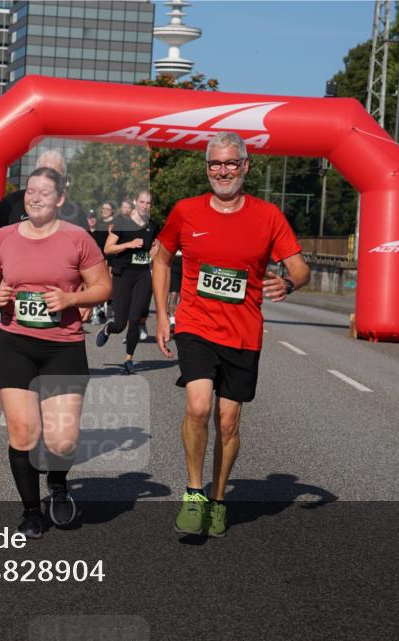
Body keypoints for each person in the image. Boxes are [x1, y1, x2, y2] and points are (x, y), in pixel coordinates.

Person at [152, 132, 310, 537]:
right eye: (215, 164)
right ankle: (194, 493)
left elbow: (300, 268)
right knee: (199, 406)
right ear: (207, 168)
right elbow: (162, 258)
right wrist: (162, 315)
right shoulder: (186, 211)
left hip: (242, 332)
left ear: (245, 166)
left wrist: (289, 283)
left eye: (230, 163)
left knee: (228, 421)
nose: (223, 171)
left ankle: (219, 498)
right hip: (196, 324)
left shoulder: (268, 216)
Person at [0, 167, 111, 539]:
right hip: (14, 344)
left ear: (60, 199)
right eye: (30, 191)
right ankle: (31, 511)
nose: (35, 198)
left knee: (62, 440)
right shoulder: (4, 237)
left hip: (63, 347)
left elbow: (103, 287)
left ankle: (58, 483)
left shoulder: (78, 238)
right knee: (24, 433)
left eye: (44, 192)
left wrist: (71, 299)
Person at [0, 150, 94, 262]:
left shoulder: (74, 211)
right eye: (41, 172)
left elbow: (88, 255)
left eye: (54, 174)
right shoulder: (13, 202)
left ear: (64, 179)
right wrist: (0, 274)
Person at [95, 191, 158, 374]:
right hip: (123, 275)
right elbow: (108, 248)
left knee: (135, 319)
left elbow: (160, 242)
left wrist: (158, 247)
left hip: (142, 275)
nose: (145, 206)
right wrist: (128, 245)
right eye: (142, 202)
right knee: (120, 323)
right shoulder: (123, 223)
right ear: (135, 202)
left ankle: (129, 359)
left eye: (148, 203)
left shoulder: (153, 225)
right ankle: (109, 328)